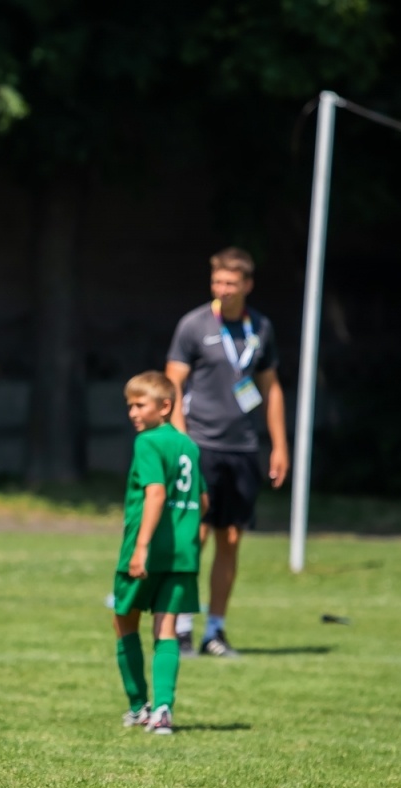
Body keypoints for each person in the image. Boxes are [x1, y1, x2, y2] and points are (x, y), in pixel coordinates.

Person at [165, 247, 288, 658]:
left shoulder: (261, 328)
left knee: (230, 539)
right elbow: (173, 384)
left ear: (247, 285)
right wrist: (182, 444)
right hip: (200, 444)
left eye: (231, 283)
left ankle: (214, 631)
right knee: (192, 537)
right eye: (217, 281)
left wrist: (279, 445)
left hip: (243, 448)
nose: (223, 289)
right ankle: (181, 627)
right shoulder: (194, 325)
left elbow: (270, 389)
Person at [113, 372, 207, 735]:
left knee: (123, 620)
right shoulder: (188, 446)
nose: (133, 412)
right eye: (130, 405)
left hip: (148, 551)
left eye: (140, 405)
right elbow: (203, 499)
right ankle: (164, 709)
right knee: (166, 627)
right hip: (183, 554)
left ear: (165, 406)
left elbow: (155, 493)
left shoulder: (148, 442)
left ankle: (139, 706)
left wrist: (141, 547)